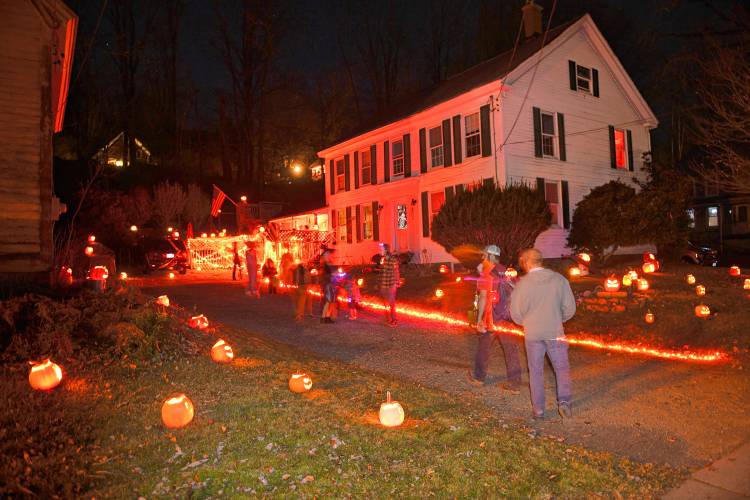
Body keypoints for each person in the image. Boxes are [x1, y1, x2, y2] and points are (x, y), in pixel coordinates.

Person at [510, 248, 576, 420]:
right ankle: (565, 403)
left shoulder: (522, 284)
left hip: (533, 334)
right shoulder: (559, 280)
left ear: (526, 262)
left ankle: (538, 410)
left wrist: (528, 323)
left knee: (536, 371)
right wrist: (556, 318)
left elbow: (515, 314)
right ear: (541, 260)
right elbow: (570, 308)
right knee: (562, 369)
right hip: (555, 331)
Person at [467, 246, 523, 394]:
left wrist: (479, 319)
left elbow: (484, 297)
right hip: (507, 317)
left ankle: (479, 378)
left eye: (484, 256)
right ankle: (515, 384)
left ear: (491, 257)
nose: (483, 259)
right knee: (511, 349)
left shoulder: (487, 274)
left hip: (491, 319)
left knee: (484, 347)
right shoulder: (508, 271)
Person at [378, 243, 400, 327]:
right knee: (386, 302)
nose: (380, 250)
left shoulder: (392, 259)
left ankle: (394, 320)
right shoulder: (382, 259)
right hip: (383, 284)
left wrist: (397, 281)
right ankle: (389, 318)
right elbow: (381, 272)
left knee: (391, 302)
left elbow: (396, 270)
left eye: (381, 249)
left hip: (391, 283)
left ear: (386, 250)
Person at [319, 247, 336, 323]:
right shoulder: (325, 265)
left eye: (329, 254)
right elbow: (325, 275)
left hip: (331, 285)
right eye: (327, 254)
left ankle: (327, 316)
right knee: (328, 301)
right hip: (327, 285)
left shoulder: (329, 264)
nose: (329, 255)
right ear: (325, 256)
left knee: (331, 301)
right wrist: (333, 275)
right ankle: (323, 318)